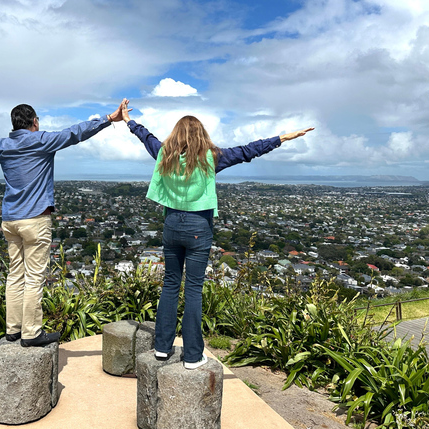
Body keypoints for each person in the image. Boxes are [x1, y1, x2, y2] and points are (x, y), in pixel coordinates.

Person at [119, 101, 313, 368]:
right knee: (194, 289)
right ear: (201, 136)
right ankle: (193, 355)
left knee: (170, 285)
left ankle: (162, 348)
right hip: (199, 228)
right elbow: (248, 151)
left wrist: (129, 121)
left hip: (172, 225)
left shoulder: (164, 154)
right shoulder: (210, 158)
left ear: (176, 135)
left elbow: (146, 137)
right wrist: (281, 138)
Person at [0, 100, 129, 347]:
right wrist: (108, 119)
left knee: (15, 274)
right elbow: (76, 132)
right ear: (35, 122)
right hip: (35, 219)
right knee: (34, 277)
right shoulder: (41, 140)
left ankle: (13, 330)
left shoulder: (3, 147)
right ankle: (31, 333)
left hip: (10, 220)